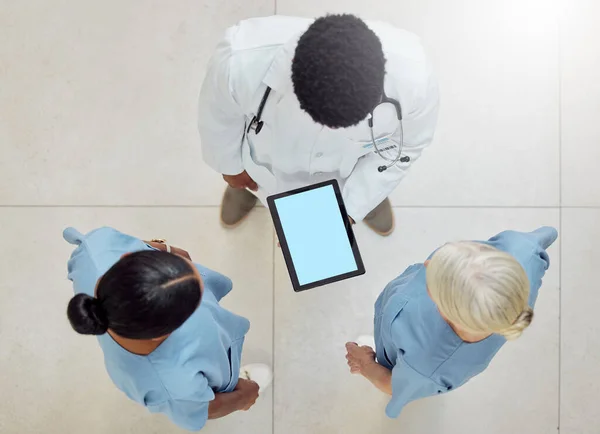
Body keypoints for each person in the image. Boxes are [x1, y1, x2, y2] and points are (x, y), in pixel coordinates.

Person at [198, 14, 439, 236]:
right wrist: (230, 167)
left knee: (369, 190)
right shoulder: (238, 61)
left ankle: (370, 202)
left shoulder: (415, 78)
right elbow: (218, 120)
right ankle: (245, 191)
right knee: (247, 179)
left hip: (354, 166)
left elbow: (407, 146)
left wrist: (353, 208)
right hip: (262, 166)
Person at [63, 227, 272, 431]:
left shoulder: (97, 247)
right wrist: (242, 397)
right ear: (163, 335)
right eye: (194, 303)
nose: (186, 257)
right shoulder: (169, 383)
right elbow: (205, 408)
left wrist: (165, 249)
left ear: (128, 258)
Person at [344, 227, 558, 417]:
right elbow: (545, 235)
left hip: (394, 344)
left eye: (434, 277)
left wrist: (366, 364)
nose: (427, 263)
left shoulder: (428, 364)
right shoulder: (522, 252)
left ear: (448, 313)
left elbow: (392, 384)